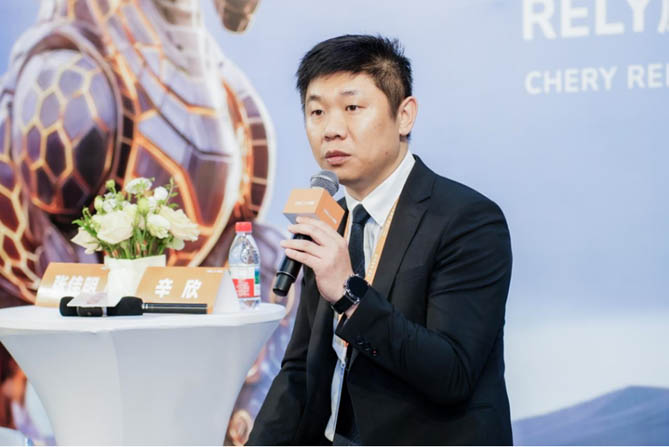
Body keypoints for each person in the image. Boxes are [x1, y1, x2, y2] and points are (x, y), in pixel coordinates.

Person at [248, 34, 513, 446]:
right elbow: (300, 371)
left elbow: (452, 374)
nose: (331, 130)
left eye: (352, 108)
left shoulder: (467, 220)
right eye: (316, 112)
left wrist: (348, 294)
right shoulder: (328, 219)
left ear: (404, 116)